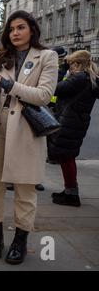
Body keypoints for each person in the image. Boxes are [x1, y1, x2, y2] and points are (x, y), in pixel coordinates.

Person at [0, 10, 58, 264]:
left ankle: (20, 240)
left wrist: (7, 85)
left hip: (26, 132)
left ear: (32, 29)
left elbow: (44, 95)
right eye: (11, 29)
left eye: (20, 27)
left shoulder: (47, 56)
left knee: (25, 191)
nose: (15, 33)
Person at [48, 50, 98, 207]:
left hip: (68, 122)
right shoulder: (90, 78)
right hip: (76, 122)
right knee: (66, 157)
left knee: (66, 158)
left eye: (70, 64)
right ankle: (70, 190)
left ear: (78, 64)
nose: (68, 67)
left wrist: (62, 70)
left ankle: (72, 194)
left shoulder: (79, 78)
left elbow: (54, 88)